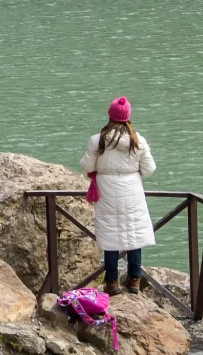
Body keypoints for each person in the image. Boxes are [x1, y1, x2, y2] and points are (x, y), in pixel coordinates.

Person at [83, 97, 157, 292]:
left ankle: (112, 283)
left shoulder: (97, 140)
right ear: (128, 117)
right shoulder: (138, 140)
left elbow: (87, 166)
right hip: (133, 190)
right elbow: (149, 169)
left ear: (110, 115)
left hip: (106, 190)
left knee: (110, 237)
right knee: (134, 234)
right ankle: (134, 280)